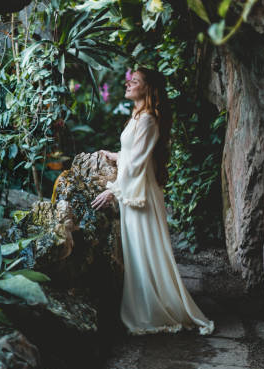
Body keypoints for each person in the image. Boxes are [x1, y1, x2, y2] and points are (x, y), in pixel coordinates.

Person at [91, 67, 214, 335]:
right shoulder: (138, 116)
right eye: (130, 80)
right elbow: (131, 154)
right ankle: (148, 306)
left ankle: (155, 310)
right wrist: (114, 155)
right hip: (134, 193)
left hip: (139, 196)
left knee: (144, 253)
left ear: (148, 89)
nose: (128, 84)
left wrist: (112, 190)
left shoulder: (147, 119)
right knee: (138, 254)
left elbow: (137, 163)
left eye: (134, 81)